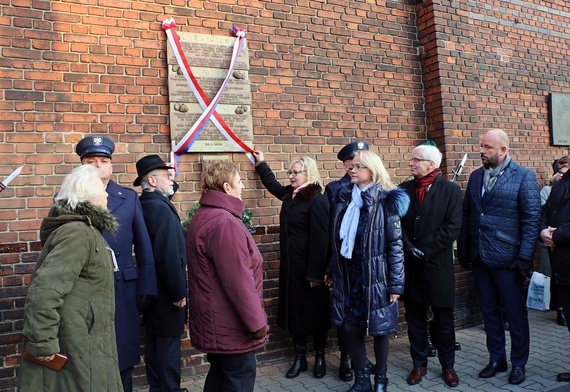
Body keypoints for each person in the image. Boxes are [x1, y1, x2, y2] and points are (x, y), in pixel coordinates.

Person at [19, 165, 123, 391]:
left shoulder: (88, 230)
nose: (107, 194)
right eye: (102, 189)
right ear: (88, 195)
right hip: (74, 343)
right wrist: (43, 344)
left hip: (88, 341)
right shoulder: (76, 232)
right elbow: (45, 291)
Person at [457, 129, 541, 386]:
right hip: (481, 258)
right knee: (489, 312)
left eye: (488, 147)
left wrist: (525, 257)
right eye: (481, 146)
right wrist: (464, 250)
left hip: (508, 260)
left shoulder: (523, 176)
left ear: (503, 150)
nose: (482, 150)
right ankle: (496, 359)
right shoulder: (474, 177)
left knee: (515, 314)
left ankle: (518, 363)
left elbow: (531, 219)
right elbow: (469, 216)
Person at [76, 135, 157, 392]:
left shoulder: (128, 198)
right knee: (89, 358)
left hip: (122, 289)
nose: (98, 166)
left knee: (123, 356)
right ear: (81, 166)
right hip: (85, 291)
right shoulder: (68, 197)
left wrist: (147, 287)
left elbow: (144, 246)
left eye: (103, 161)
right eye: (91, 161)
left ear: (111, 166)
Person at [328, 150, 409, 392]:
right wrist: (333, 270)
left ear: (372, 170)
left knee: (380, 329)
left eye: (358, 166)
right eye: (351, 166)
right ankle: (362, 378)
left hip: (377, 276)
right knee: (350, 327)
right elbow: (337, 241)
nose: (352, 170)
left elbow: (396, 245)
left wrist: (396, 284)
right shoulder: (344, 198)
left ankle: (380, 379)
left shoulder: (386, 200)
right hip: (350, 275)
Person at [186, 161, 269, 392]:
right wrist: (257, 324)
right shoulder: (224, 223)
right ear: (226, 187)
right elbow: (238, 281)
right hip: (231, 325)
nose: (242, 186)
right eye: (239, 182)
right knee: (237, 378)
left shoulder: (206, 215)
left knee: (220, 376)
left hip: (219, 322)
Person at [253, 151, 330, 379]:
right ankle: (300, 359)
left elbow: (321, 239)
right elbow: (274, 186)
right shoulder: (291, 196)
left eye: (296, 172)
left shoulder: (317, 199)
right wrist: (261, 164)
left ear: (309, 173)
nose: (291, 176)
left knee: (315, 314)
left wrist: (316, 274)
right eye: (290, 172)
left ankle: (320, 357)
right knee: (297, 313)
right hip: (292, 269)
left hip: (311, 271)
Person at [399, 144, 462, 388]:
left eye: (416, 160)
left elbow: (452, 227)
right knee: (415, 319)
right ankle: (419, 364)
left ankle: (448, 366)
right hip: (411, 267)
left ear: (432, 165)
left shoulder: (450, 191)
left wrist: (423, 249)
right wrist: (407, 246)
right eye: (412, 159)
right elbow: (397, 222)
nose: (411, 163)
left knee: (443, 322)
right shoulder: (403, 189)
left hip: (437, 266)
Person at [134, 155, 188, 392]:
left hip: (153, 291)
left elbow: (167, 190)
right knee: (167, 349)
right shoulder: (160, 209)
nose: (171, 179)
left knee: (155, 345)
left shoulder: (146, 203)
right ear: (153, 181)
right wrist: (179, 291)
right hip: (167, 293)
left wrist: (168, 177)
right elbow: (167, 256)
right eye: (167, 175)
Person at [325, 140, 370, 382]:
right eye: (355, 161)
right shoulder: (336, 189)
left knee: (363, 311)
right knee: (345, 313)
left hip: (364, 261)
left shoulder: (372, 187)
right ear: (346, 164)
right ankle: (346, 358)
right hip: (343, 260)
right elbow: (332, 231)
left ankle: (360, 357)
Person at [540, 155, 570, 383]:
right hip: (563, 265)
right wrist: (544, 232)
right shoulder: (560, 184)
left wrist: (556, 235)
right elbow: (545, 211)